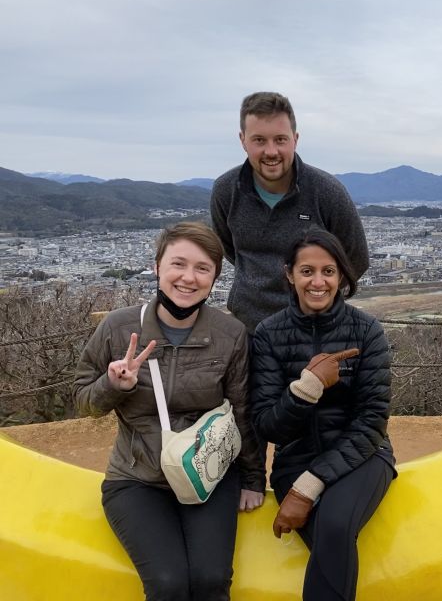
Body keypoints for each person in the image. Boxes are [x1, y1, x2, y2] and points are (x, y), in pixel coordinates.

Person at [72, 222, 266, 601]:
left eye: (202, 268)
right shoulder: (118, 327)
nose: (188, 278)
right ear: (157, 266)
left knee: (211, 580)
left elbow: (242, 409)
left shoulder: (230, 334)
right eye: (178, 264)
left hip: (208, 473)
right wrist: (112, 385)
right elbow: (82, 399)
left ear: (214, 278)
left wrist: (253, 479)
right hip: (137, 477)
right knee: (167, 583)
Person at [251, 227, 396, 601]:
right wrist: (306, 390)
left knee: (333, 525)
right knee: (331, 546)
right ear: (289, 275)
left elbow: (372, 421)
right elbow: (267, 425)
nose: (318, 282)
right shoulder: (268, 334)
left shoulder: (366, 331)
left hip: (364, 457)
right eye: (307, 271)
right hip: (295, 459)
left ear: (341, 276)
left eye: (328, 271)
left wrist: (308, 487)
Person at [210, 91, 369, 334]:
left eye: (280, 140)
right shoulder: (226, 190)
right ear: (243, 140)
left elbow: (356, 259)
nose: (271, 151)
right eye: (259, 140)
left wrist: (317, 298)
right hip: (249, 329)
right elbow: (231, 251)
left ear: (295, 139)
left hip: (314, 329)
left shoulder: (327, 191)